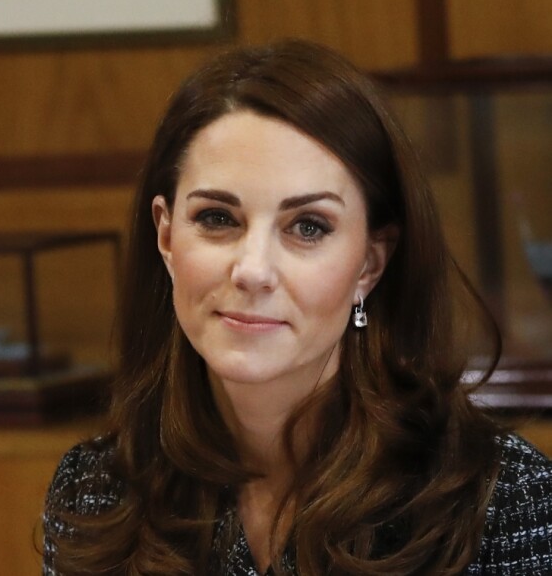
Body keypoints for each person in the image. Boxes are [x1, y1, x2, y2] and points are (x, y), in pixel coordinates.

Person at [42, 40, 552, 575]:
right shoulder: (95, 493)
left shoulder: (503, 503)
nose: (253, 270)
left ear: (369, 265)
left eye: (308, 227)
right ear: (167, 237)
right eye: (218, 218)